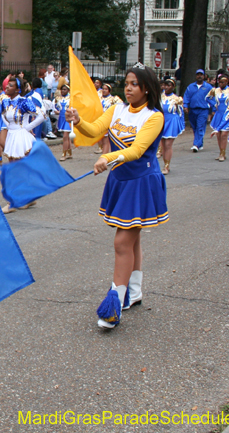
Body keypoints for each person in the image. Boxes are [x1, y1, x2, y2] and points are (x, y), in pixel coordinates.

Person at [66, 65, 166, 330]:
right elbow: (95, 129)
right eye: (127, 83)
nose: (129, 88)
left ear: (147, 88)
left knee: (123, 241)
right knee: (131, 238)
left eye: (134, 84)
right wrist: (78, 121)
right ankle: (134, 292)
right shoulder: (118, 108)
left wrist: (106, 158)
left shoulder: (154, 117)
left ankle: (115, 301)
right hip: (121, 180)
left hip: (140, 182)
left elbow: (137, 150)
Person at [0, 77, 44, 214]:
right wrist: (10, 126)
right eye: (7, 85)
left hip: (20, 136)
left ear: (18, 89)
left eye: (11, 85)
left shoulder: (24, 101)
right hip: (12, 135)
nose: (7, 87)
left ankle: (13, 202)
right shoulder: (5, 101)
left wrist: (26, 127)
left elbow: (41, 115)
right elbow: (2, 115)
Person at [183, 69, 214, 152]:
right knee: (195, 127)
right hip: (192, 109)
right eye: (198, 75)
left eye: (201, 75)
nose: (199, 76)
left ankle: (196, 144)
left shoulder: (208, 87)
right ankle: (200, 143)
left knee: (200, 127)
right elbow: (186, 97)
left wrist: (213, 109)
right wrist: (185, 106)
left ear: (204, 76)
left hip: (203, 110)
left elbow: (213, 98)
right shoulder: (190, 87)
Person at [159, 79, 184, 174]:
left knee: (168, 144)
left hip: (172, 121)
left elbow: (181, 113)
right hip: (162, 120)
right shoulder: (160, 97)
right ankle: (164, 164)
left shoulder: (177, 99)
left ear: (173, 87)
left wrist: (180, 125)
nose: (166, 87)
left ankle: (167, 166)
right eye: (165, 85)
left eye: (169, 85)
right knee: (163, 144)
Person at [207, 75, 229, 162]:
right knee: (218, 135)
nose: (221, 84)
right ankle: (221, 152)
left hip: (228, 114)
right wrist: (214, 105)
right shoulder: (215, 90)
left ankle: (223, 153)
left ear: (227, 82)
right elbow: (207, 98)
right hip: (219, 114)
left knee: (224, 134)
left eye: (223, 82)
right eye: (220, 82)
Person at [99, 84, 123, 154]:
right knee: (102, 139)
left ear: (109, 90)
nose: (104, 90)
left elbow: (121, 106)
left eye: (106, 89)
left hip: (109, 120)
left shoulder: (113, 99)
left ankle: (105, 157)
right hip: (100, 120)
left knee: (106, 139)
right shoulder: (99, 98)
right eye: (103, 89)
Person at [53, 83, 73, 161]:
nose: (63, 91)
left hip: (68, 118)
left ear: (68, 90)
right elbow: (55, 107)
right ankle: (70, 153)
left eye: (65, 89)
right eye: (62, 89)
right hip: (61, 118)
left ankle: (64, 154)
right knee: (67, 136)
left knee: (65, 136)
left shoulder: (71, 98)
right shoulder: (58, 98)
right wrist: (56, 111)